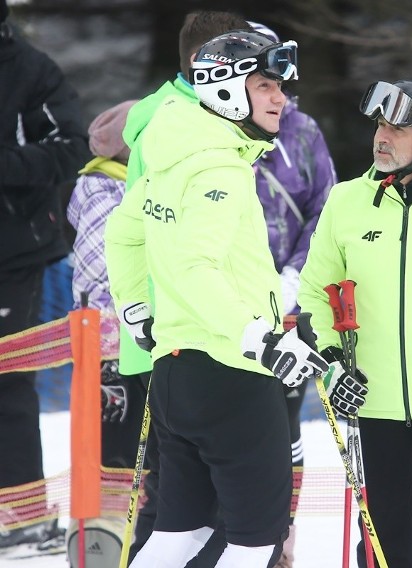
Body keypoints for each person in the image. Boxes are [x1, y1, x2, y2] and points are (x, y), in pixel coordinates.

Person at [104, 30, 328, 568]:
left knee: (177, 534)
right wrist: (260, 338)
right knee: (255, 542)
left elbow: (123, 231)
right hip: (233, 376)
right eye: (266, 86)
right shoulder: (219, 168)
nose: (280, 98)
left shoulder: (178, 151)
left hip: (177, 374)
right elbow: (193, 267)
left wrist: (137, 309)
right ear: (227, 89)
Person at [297, 79, 412, 568]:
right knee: (383, 536)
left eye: (398, 127)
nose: (382, 137)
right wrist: (331, 361)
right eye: (379, 124)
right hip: (372, 395)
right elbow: (314, 291)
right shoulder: (347, 201)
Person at [118, 11, 249, 565]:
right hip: (183, 328)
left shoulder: (179, 115)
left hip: (183, 324)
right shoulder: (180, 120)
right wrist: (148, 313)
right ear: (206, 65)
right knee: (188, 509)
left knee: (188, 504)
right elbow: (155, 227)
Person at [247, 20, 338, 568]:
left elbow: (325, 208)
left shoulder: (302, 132)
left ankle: (282, 537)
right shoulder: (213, 133)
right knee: (240, 425)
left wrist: (293, 280)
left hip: (289, 306)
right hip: (230, 307)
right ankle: (238, 535)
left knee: (284, 427)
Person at [0, 0, 89, 551]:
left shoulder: (30, 68)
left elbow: (71, 149)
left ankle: (26, 518)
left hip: (13, 255)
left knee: (6, 382)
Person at [65, 99, 139, 563]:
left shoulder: (121, 188)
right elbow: (104, 271)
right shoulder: (102, 192)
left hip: (129, 346)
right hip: (109, 349)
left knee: (134, 452)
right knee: (113, 454)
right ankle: (104, 542)